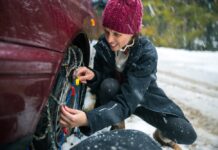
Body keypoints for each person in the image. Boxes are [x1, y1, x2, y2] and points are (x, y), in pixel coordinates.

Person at [60, 0, 197, 149]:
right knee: (108, 85)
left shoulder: (147, 53)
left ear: (133, 32)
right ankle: (117, 128)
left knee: (186, 134)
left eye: (117, 34)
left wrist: (88, 119)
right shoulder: (104, 45)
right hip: (114, 95)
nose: (109, 39)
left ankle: (162, 136)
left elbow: (128, 100)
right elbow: (104, 80)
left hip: (141, 99)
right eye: (106, 31)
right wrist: (94, 76)